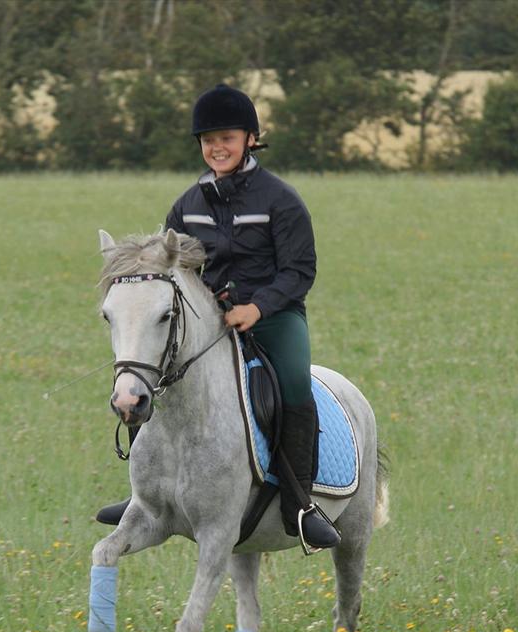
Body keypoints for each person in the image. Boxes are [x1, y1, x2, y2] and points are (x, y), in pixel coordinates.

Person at [96, 83, 340, 551]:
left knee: (291, 387)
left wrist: (258, 307)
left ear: (250, 138)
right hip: (206, 322)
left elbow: (300, 269)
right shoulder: (188, 205)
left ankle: (299, 504)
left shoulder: (280, 200)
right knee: (152, 374)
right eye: (208, 140)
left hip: (274, 317)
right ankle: (144, 498)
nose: (217, 147)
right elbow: (169, 266)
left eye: (227, 137)